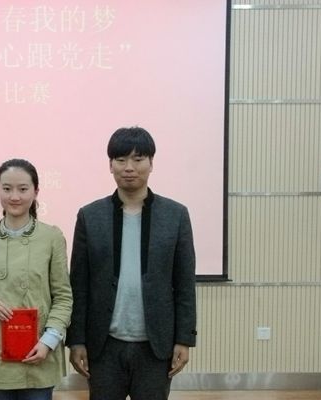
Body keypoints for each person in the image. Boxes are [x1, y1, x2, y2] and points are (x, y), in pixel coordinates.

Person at [66, 127, 197, 400]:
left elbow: (184, 284)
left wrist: (184, 339)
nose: (129, 167)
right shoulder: (90, 216)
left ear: (151, 163)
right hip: (103, 345)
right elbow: (79, 285)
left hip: (156, 346)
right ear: (110, 165)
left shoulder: (175, 215)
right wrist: (76, 339)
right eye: (121, 159)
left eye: (138, 159)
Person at [0, 158, 73, 400]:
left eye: (23, 189)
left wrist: (49, 340)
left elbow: (63, 297)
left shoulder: (52, 237)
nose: (14, 196)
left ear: (36, 191)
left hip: (39, 351)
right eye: (7, 188)